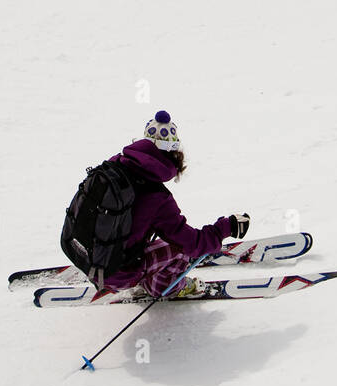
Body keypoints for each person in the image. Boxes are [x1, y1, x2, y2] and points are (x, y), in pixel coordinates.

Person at [102, 110, 249, 298]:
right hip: (117, 273)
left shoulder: (116, 164)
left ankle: (129, 268)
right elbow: (190, 244)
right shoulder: (156, 197)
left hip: (88, 254)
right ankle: (166, 288)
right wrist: (225, 228)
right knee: (180, 252)